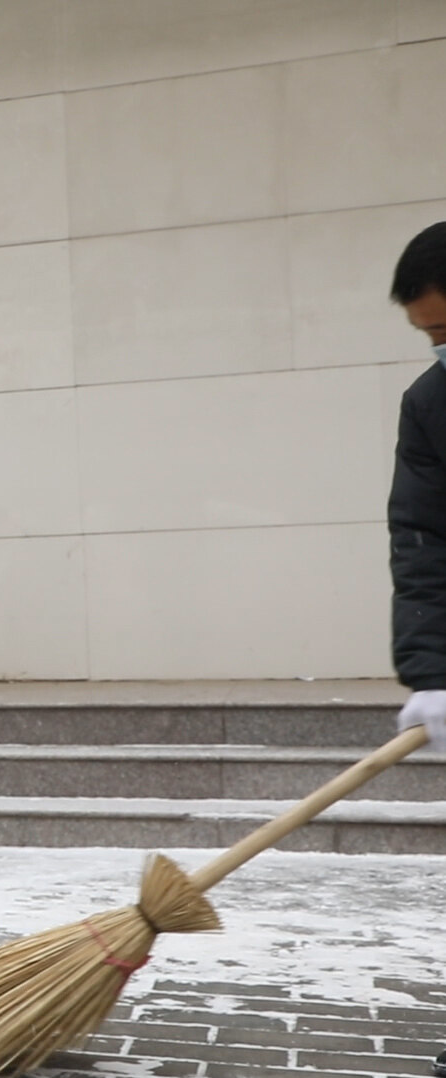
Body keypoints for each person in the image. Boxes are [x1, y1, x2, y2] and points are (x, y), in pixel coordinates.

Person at [383, 221, 446, 1078]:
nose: (441, 350)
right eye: (434, 338)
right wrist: (432, 673)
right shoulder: (430, 406)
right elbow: (422, 540)